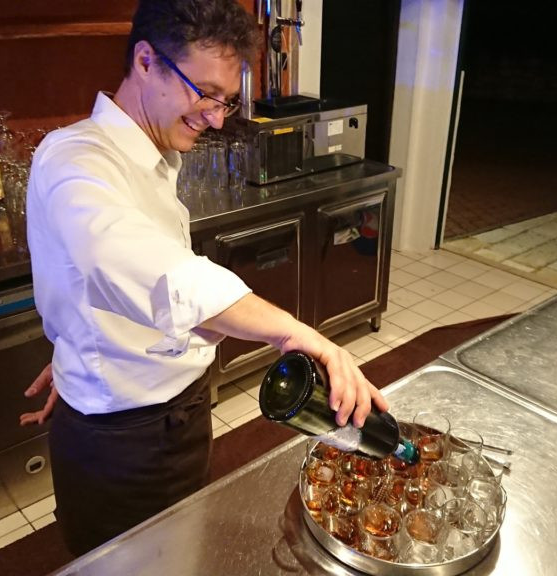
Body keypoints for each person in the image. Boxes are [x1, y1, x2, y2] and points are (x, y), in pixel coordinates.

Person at [20, 0, 388, 556]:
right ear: (146, 61)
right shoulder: (75, 160)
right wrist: (297, 333)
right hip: (128, 440)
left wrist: (80, 346)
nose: (216, 118)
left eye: (226, 100)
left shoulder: (156, 155)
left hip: (179, 410)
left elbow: (96, 285)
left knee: (181, 549)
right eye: (205, 93)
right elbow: (145, 267)